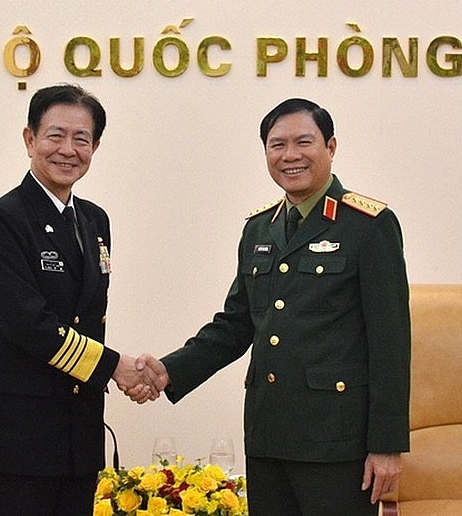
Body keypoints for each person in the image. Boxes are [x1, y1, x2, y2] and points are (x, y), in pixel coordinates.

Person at [134, 97, 411, 516]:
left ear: (330, 147)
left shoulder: (368, 226)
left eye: (304, 142)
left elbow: (390, 344)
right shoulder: (259, 228)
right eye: (277, 145)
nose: (290, 155)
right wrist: (170, 370)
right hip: (268, 435)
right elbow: (235, 325)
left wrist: (387, 445)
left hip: (337, 443)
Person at [0, 84, 157, 516]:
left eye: (81, 139)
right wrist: (116, 367)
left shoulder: (93, 220)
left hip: (79, 433)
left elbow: (86, 314)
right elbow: (29, 325)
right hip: (19, 438)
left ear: (95, 147)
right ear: (29, 139)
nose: (67, 150)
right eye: (55, 135)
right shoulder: (1, 221)